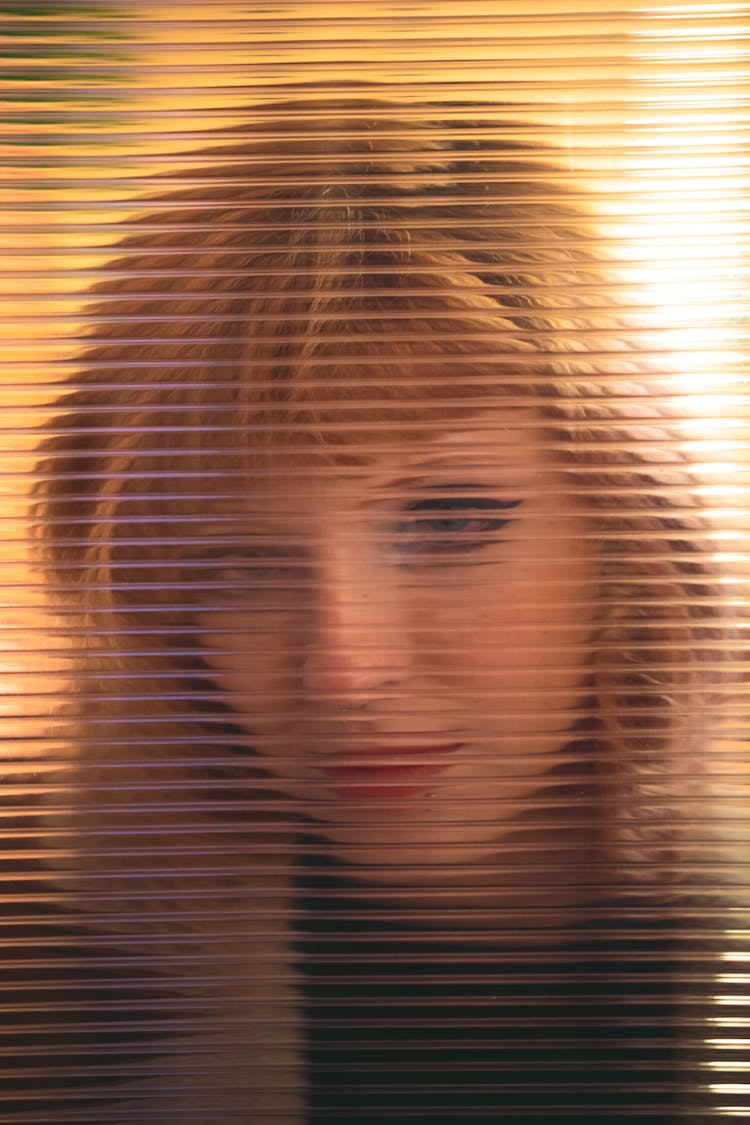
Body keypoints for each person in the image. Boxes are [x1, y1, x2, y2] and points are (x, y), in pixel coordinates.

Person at [33, 95, 729, 1123]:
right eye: (239, 565)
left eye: (448, 521)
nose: (346, 671)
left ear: (620, 524)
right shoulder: (62, 989)